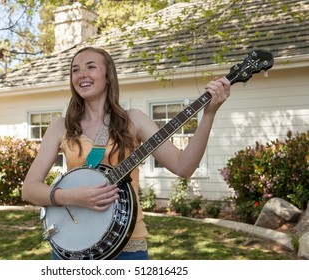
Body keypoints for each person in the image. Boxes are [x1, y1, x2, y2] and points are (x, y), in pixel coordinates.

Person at [22, 46, 231, 260]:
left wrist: (208, 114)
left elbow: (183, 166)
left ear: (108, 76)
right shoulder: (61, 127)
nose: (81, 74)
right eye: (75, 70)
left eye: (91, 67)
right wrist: (71, 197)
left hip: (126, 243)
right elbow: (29, 189)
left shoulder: (134, 120)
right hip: (74, 244)